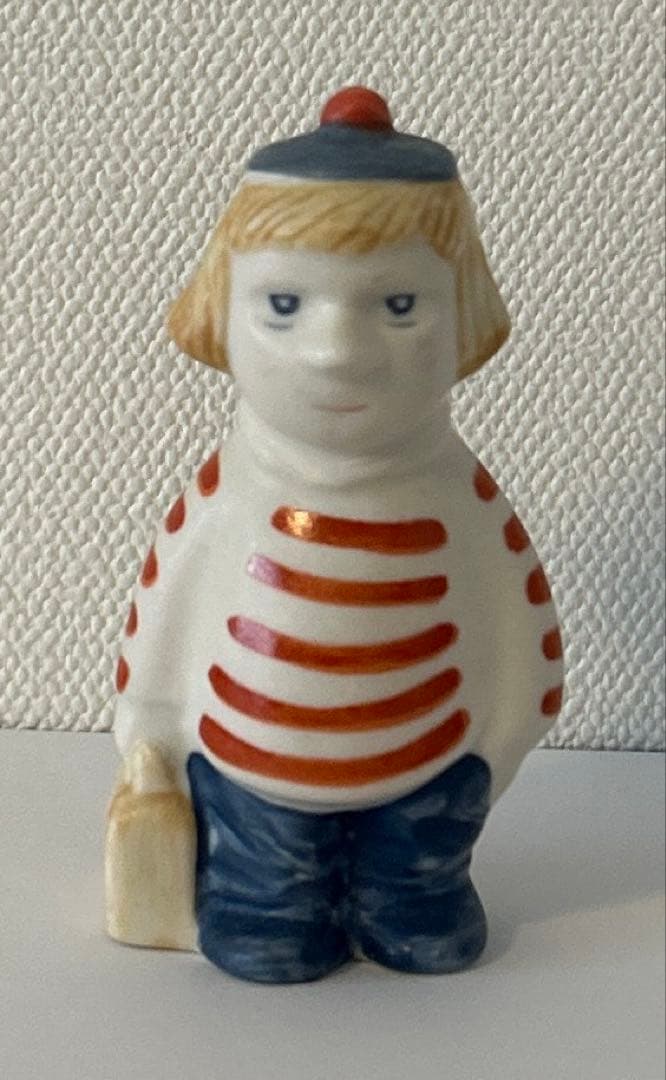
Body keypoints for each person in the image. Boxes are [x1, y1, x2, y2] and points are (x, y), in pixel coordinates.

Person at [110, 87, 564, 982]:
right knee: (267, 912)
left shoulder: (460, 497)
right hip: (254, 772)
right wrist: (149, 723)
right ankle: (265, 903)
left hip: (433, 765)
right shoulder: (225, 496)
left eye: (398, 305)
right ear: (222, 310)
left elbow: (522, 622)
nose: (336, 353)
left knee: (421, 894)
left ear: (464, 314)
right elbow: (165, 604)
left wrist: (505, 738)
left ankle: (411, 899)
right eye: (284, 303)